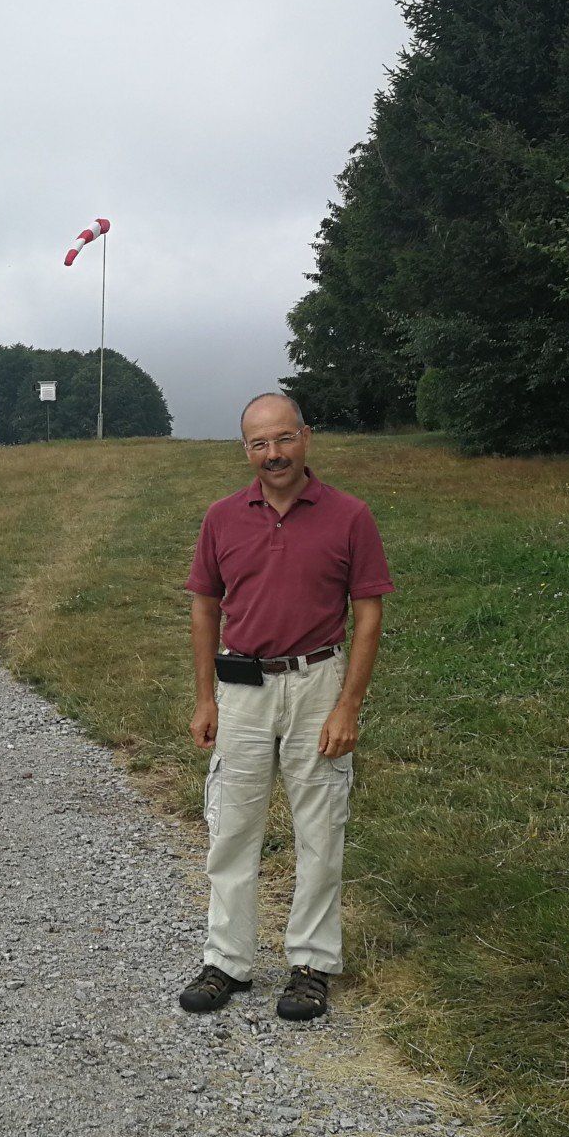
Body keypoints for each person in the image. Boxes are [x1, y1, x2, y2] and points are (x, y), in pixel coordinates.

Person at [178, 392, 393, 1022]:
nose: (272, 454)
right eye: (258, 443)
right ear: (245, 449)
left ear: (306, 438)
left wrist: (348, 706)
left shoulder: (350, 516)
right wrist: (203, 699)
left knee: (320, 828)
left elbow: (369, 613)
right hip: (240, 688)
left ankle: (311, 965)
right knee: (232, 827)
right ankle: (228, 960)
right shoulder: (222, 517)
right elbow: (203, 607)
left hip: (316, 682)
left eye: (283, 439)